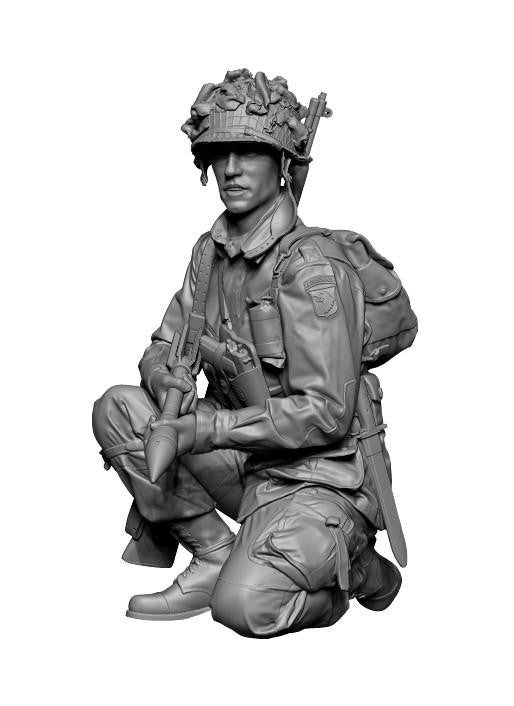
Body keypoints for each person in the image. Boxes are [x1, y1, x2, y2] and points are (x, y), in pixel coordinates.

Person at [92, 68, 416, 638]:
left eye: (250, 152)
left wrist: (203, 429)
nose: (232, 169)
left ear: (283, 162)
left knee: (245, 609)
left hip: (319, 475)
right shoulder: (210, 254)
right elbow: (164, 344)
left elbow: (325, 413)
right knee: (118, 408)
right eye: (220, 154)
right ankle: (214, 553)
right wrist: (168, 379)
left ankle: (361, 566)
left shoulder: (312, 269)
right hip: (245, 458)